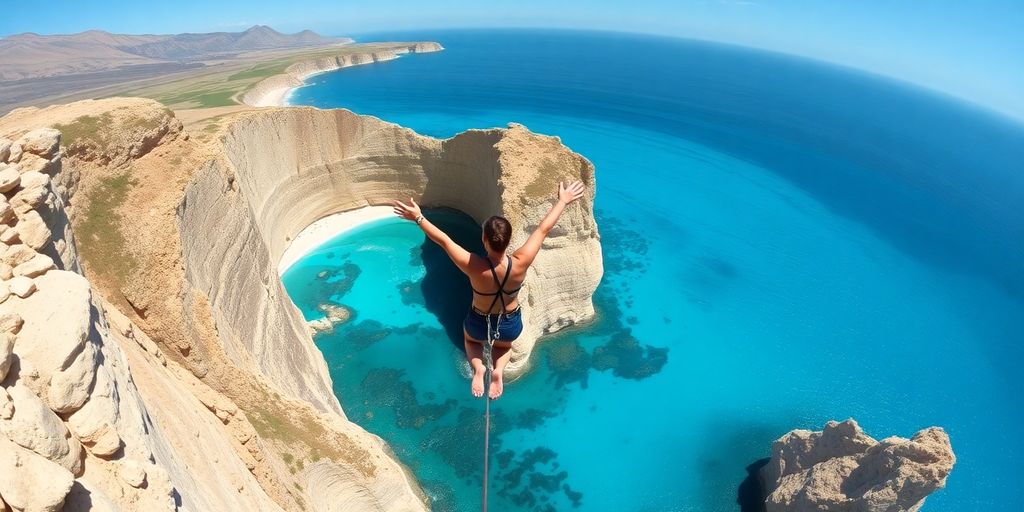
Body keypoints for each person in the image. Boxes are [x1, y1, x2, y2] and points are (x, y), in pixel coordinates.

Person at [393, 180, 586, 399]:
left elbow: (445, 241)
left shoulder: (473, 266)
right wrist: (563, 201)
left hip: (478, 319)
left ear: (484, 240)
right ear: (509, 240)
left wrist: (418, 217)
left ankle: (479, 369)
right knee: (503, 348)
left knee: (471, 341)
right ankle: (498, 372)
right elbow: (543, 229)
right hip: (509, 322)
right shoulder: (521, 262)